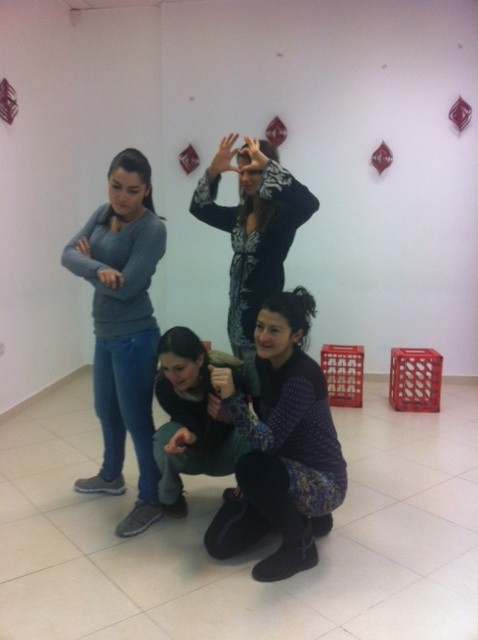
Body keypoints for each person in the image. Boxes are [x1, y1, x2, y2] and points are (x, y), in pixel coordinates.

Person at [204, 286, 347, 582]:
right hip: (286, 470)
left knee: (251, 468)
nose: (262, 337)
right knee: (218, 544)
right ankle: (307, 518)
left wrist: (233, 401)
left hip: (324, 483)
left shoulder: (302, 377)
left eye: (274, 330)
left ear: (296, 335)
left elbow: (266, 443)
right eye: (260, 326)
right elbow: (265, 429)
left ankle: (301, 548)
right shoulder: (264, 363)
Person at [61, 148, 167, 537]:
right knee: (106, 411)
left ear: (146, 190)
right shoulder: (102, 214)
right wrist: (101, 269)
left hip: (135, 336)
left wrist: (89, 267)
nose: (122, 197)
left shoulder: (152, 229)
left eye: (132, 191)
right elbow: (66, 254)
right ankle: (111, 476)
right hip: (104, 334)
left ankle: (151, 499)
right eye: (116, 186)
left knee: (137, 420)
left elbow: (127, 288)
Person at [190, 134, 319, 408]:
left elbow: (310, 203)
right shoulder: (239, 216)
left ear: (268, 172)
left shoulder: (283, 217)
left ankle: (265, 435)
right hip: (236, 322)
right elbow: (199, 209)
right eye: (242, 171)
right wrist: (213, 171)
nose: (246, 178)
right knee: (241, 393)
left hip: (264, 327)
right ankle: (247, 433)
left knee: (264, 399)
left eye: (254, 171)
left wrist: (270, 166)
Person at [153, 327, 250, 517]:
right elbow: (189, 423)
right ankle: (170, 498)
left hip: (226, 454)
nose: (172, 377)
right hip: (193, 451)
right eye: (166, 368)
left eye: (179, 368)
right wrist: (190, 436)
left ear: (199, 359)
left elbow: (250, 428)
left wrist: (231, 414)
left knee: (248, 433)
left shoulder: (228, 377)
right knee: (164, 439)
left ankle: (247, 493)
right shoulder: (164, 386)